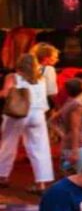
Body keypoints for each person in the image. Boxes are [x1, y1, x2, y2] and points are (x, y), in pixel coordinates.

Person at [0, 53, 55, 192]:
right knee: (40, 148)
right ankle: (41, 184)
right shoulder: (40, 78)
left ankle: (2, 176)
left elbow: (6, 94)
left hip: (18, 114)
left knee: (8, 144)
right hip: (38, 115)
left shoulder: (12, 77)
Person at [53, 78, 82, 173]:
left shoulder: (76, 102)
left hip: (75, 143)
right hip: (77, 145)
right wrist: (75, 150)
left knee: (80, 176)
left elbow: (52, 120)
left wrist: (63, 135)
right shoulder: (76, 106)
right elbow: (75, 128)